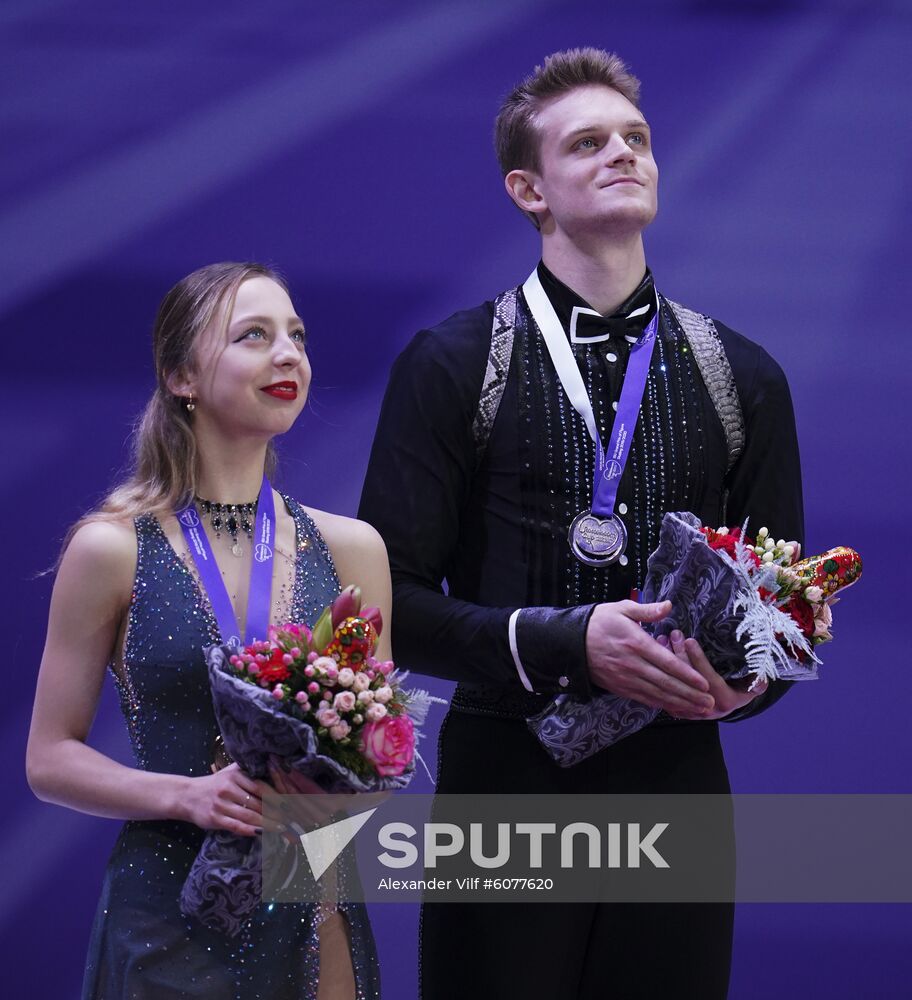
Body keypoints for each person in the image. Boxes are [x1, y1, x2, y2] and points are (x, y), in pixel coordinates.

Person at [358, 49, 803, 999]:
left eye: (636, 138)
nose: (623, 155)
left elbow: (783, 605)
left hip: (676, 782)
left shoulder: (743, 375)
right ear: (529, 190)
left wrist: (749, 684)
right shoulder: (451, 362)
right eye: (589, 142)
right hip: (507, 781)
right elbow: (382, 600)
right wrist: (565, 641)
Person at [26, 262, 391, 1000]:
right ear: (180, 376)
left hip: (311, 905)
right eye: (253, 336)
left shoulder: (352, 548)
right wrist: (184, 796)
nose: (288, 354)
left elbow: (377, 757)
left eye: (296, 335)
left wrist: (329, 794)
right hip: (166, 909)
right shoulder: (111, 549)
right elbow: (49, 758)